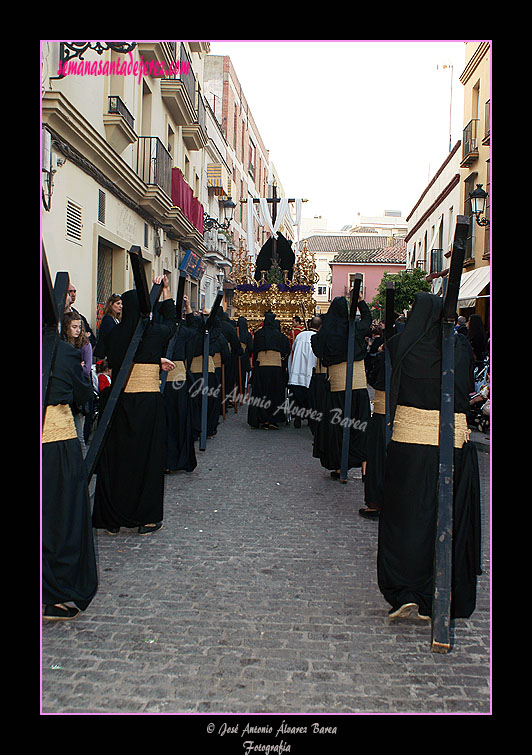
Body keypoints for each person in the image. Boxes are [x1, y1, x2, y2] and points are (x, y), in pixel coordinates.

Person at [377, 292, 481, 622]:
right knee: (445, 518)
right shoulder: (458, 347)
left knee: (405, 520)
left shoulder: (399, 345)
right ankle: (439, 591)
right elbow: (463, 390)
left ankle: (406, 590)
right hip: (450, 445)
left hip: (408, 447)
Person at [92, 275, 176, 536]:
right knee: (147, 460)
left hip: (119, 402)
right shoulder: (152, 333)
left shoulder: (115, 333)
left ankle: (111, 519)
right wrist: (166, 293)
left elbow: (107, 357)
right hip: (147, 402)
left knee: (117, 459)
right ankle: (146, 518)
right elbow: (172, 324)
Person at [42, 337, 98, 620]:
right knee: (60, 517)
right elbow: (83, 393)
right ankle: (55, 593)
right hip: (54, 443)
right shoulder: (63, 352)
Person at [311, 295, 372, 478]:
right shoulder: (354, 327)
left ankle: (339, 466)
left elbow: (318, 350)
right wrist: (360, 302)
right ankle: (364, 466)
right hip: (358, 386)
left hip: (337, 385)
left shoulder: (325, 334)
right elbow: (368, 320)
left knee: (338, 427)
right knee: (360, 425)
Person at [163, 295, 197, 473]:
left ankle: (165, 461)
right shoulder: (182, 330)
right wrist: (189, 309)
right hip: (178, 380)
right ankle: (178, 459)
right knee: (179, 420)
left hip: (161, 381)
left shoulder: (158, 330)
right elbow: (195, 329)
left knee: (165, 422)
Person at [247, 311, 290, 430]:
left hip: (262, 368)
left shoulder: (259, 334)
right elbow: (286, 350)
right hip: (276, 368)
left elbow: (254, 350)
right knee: (275, 394)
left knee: (261, 393)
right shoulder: (280, 336)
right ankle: (273, 419)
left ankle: (261, 418)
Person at [359, 343, 386, 520]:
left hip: (383, 414)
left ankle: (376, 501)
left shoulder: (386, 355)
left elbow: (374, 377)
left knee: (377, 455)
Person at [61, 311, 93, 455]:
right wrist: (76, 366)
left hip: (79, 392)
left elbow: (86, 370)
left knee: (79, 435)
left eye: (79, 327)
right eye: (74, 327)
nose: (78, 330)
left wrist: (73, 367)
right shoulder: (62, 344)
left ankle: (83, 470)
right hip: (65, 390)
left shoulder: (85, 345)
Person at [287, 316, 320, 428]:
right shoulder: (317, 337)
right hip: (310, 372)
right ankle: (310, 420)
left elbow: (293, 350)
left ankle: (297, 416)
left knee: (297, 397)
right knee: (310, 398)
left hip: (297, 370)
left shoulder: (300, 335)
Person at [65, 283, 96, 347]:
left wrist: (83, 338)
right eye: (70, 291)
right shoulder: (56, 314)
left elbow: (92, 339)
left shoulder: (79, 316)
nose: (73, 294)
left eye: (74, 291)